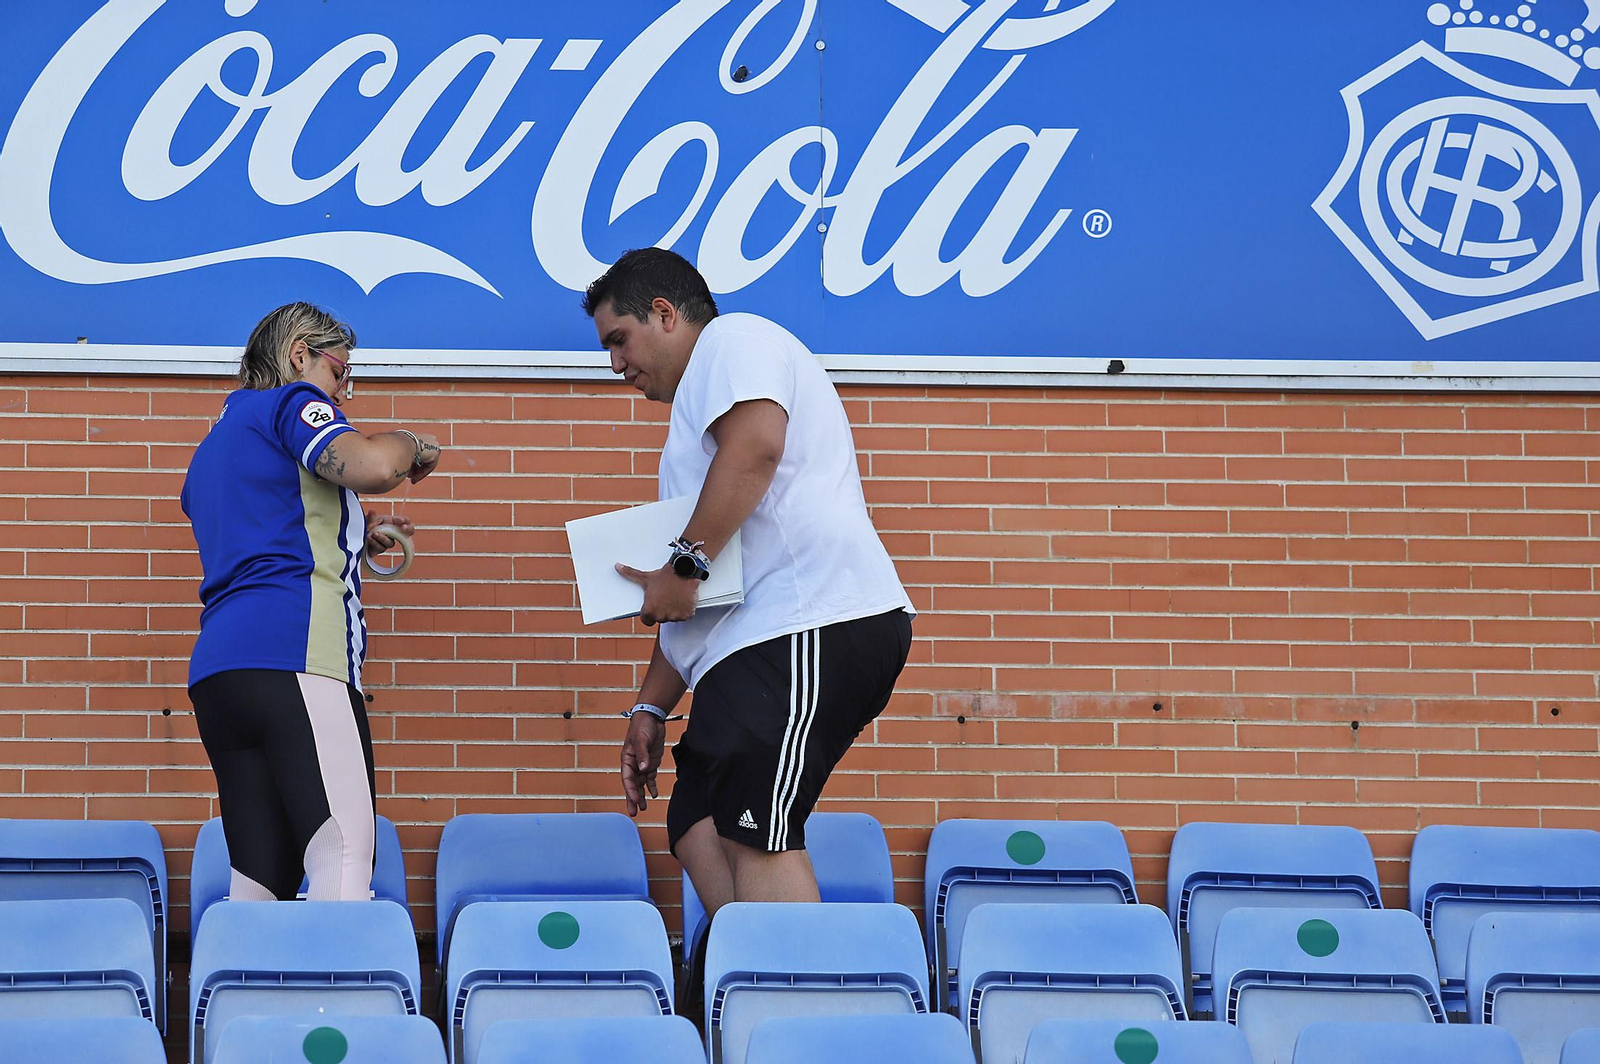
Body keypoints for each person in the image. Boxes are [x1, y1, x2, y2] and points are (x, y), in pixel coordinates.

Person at [583, 248, 915, 926]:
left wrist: (683, 564)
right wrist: (647, 710)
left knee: (750, 822)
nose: (615, 363)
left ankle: (805, 1008)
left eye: (619, 339)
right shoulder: (690, 443)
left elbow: (758, 447)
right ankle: (761, 982)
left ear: (666, 315)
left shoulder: (734, 341)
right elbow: (698, 598)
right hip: (756, 639)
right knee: (696, 816)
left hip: (813, 617)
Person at [181, 302, 442, 903]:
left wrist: (354, 528)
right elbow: (373, 465)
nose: (344, 394)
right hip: (296, 654)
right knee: (344, 864)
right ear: (300, 354)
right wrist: (414, 444)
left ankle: (246, 997)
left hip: (221, 673)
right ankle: (340, 999)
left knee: (258, 884)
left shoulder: (215, 445)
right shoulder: (292, 404)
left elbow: (268, 525)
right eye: (339, 373)